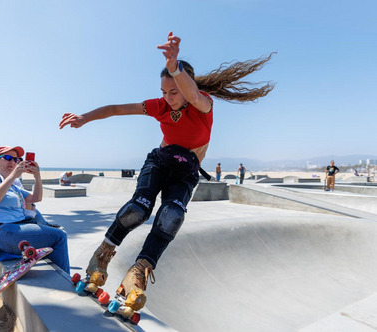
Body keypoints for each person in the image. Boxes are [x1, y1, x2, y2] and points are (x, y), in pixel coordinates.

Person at [59, 31, 275, 311]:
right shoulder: (159, 106)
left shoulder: (203, 105)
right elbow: (115, 109)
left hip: (186, 173)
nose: (168, 98)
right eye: (164, 92)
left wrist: (175, 68)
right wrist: (85, 117)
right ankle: (103, 254)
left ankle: (138, 273)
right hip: (159, 162)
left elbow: (192, 93)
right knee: (138, 209)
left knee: (171, 216)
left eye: (174, 92)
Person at [0, 146, 70, 273]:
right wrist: (13, 176)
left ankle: (60, 277)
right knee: (59, 236)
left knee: (55, 233)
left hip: (12, 230)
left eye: (16, 159)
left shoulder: (12, 186)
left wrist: (37, 176)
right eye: (8, 158)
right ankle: (64, 282)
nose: (13, 162)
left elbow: (36, 198)